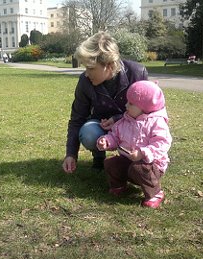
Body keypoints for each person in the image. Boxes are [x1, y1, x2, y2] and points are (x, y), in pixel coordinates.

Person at [62, 31, 148, 174]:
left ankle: (135, 159)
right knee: (89, 132)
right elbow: (77, 118)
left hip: (132, 126)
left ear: (108, 65)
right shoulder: (85, 81)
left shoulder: (137, 73)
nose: (86, 73)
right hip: (100, 127)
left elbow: (148, 112)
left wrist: (118, 119)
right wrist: (71, 154)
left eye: (90, 68)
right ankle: (99, 157)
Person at [96, 80, 172, 208]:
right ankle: (119, 184)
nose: (126, 105)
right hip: (128, 161)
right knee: (111, 162)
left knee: (139, 168)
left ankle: (155, 193)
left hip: (151, 166)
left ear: (145, 107)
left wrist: (143, 153)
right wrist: (107, 141)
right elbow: (116, 136)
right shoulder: (125, 120)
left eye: (131, 103)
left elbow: (162, 143)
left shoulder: (156, 123)